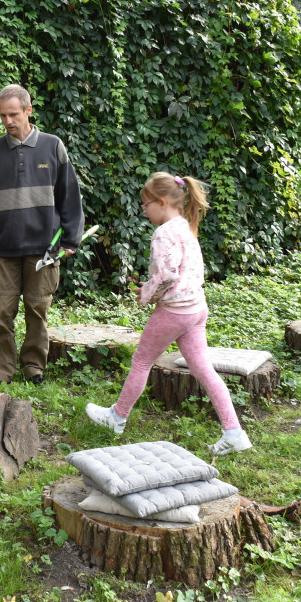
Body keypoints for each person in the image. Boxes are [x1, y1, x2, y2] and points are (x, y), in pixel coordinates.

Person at [84, 172, 252, 456]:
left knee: (141, 361)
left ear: (161, 202)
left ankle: (117, 418)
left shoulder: (163, 233)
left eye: (145, 205)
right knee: (204, 370)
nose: (143, 211)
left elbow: (165, 275)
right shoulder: (184, 227)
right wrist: (152, 287)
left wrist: (146, 294)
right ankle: (234, 432)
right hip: (196, 309)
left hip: (175, 312)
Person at [0, 84, 84, 388]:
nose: (8, 121)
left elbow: (70, 197)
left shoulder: (53, 146)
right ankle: (2, 372)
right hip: (2, 249)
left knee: (38, 311)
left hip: (44, 249)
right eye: (3, 115)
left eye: (13, 114)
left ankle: (34, 367)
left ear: (28, 110)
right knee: (0, 314)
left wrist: (70, 240)